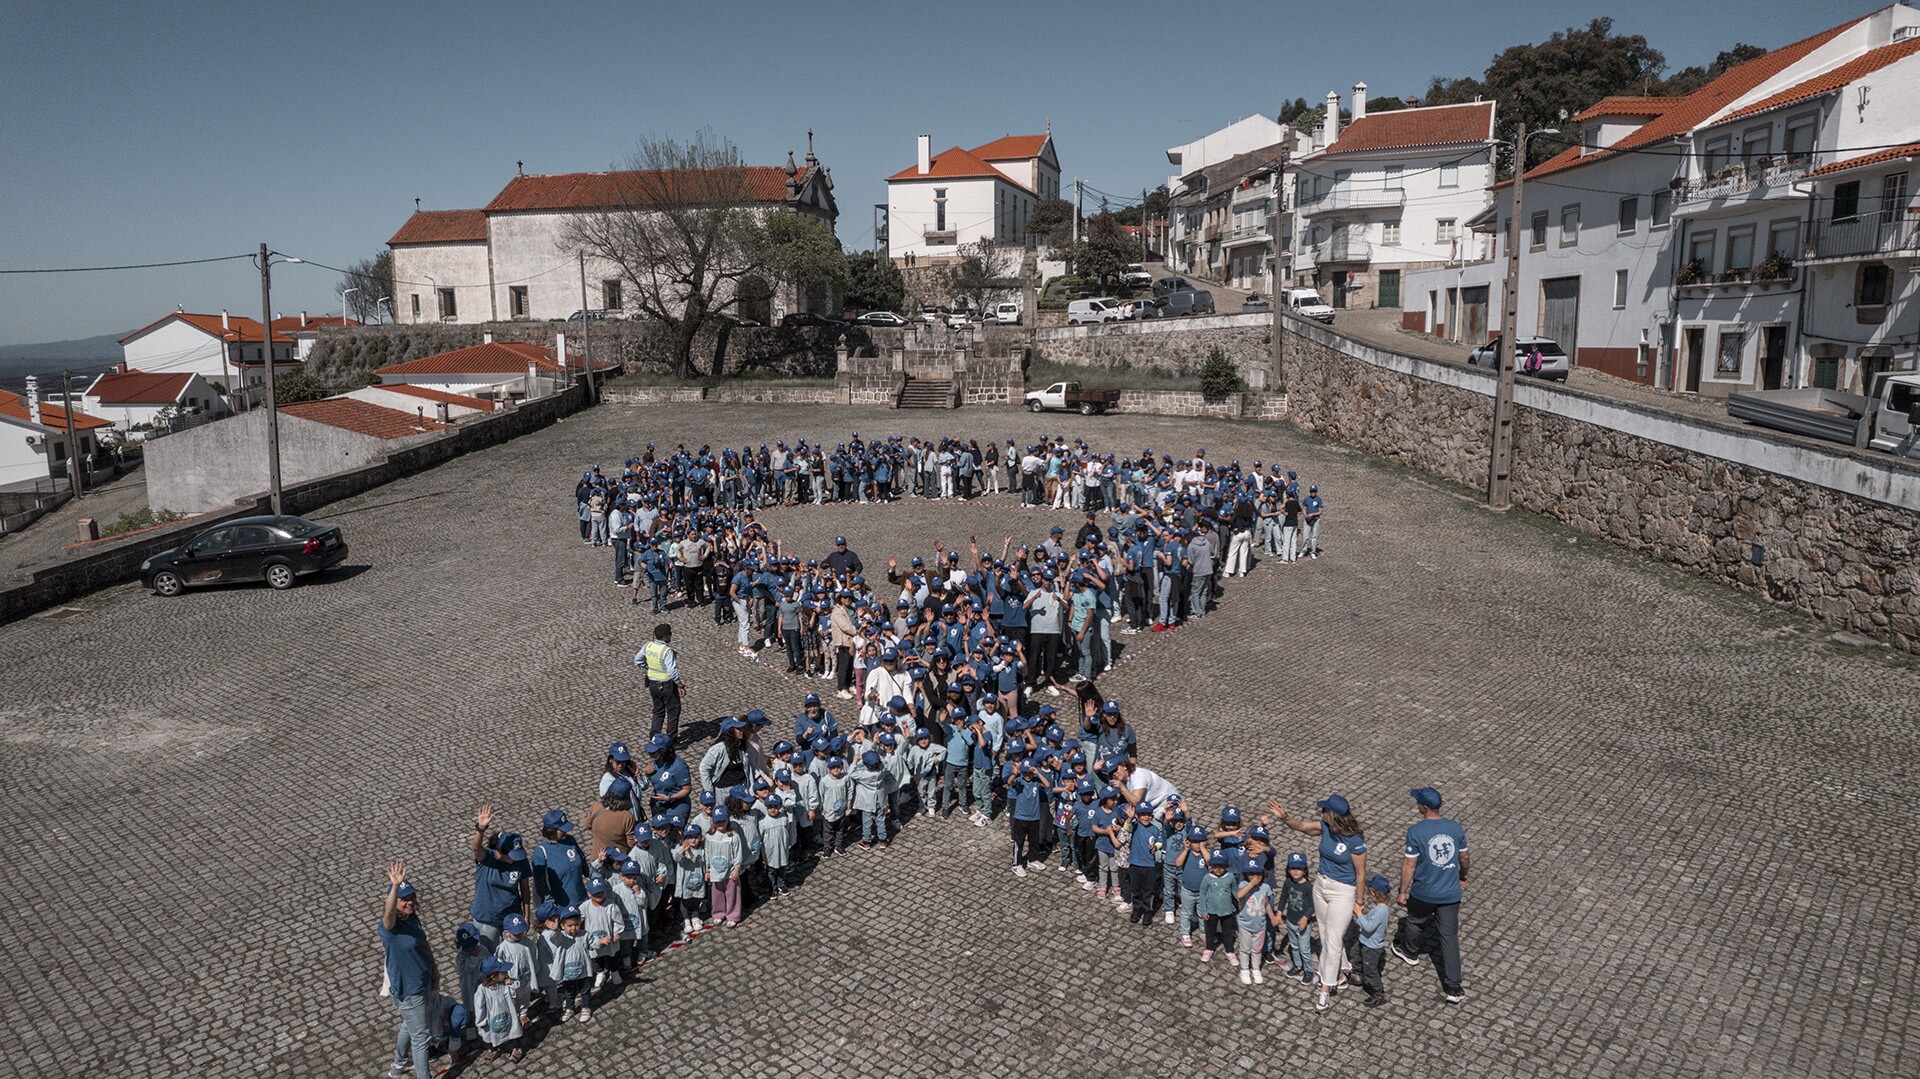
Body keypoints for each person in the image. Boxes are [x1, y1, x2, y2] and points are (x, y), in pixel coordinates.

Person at [1271, 793, 1369, 1012]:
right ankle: (1341, 973)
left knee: (1333, 940)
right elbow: (1302, 826)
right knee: (1325, 935)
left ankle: (1325, 988)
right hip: (1321, 886)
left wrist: (1359, 901)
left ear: (1332, 814)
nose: (1321, 812)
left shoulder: (1355, 841)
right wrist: (1284, 817)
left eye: (1324, 810)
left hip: (1342, 891)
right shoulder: (1325, 827)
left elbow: (1361, 874)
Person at [1391, 786, 1469, 1004]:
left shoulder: (1416, 832)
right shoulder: (1455, 828)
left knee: (1415, 920)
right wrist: (1463, 874)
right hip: (1450, 894)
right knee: (1449, 937)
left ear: (1424, 807)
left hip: (1424, 892)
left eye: (1418, 802)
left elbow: (1409, 865)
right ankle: (1453, 987)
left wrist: (1402, 891)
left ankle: (1410, 951)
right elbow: (1464, 857)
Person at [378, 862, 436, 1079]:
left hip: (423, 981)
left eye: (411, 897)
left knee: (410, 1025)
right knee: (421, 1037)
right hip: (409, 990)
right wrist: (395, 887)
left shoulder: (412, 919)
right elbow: (388, 913)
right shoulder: (390, 928)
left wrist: (435, 970)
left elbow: (423, 943)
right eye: (404, 899)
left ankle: (398, 1064)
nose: (409, 902)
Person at [469, 805, 531, 949]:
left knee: (514, 951)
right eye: (511, 856)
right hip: (487, 918)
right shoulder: (487, 858)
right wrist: (481, 829)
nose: (514, 859)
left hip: (511, 916)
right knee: (489, 953)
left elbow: (525, 889)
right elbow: (476, 848)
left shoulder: (520, 861)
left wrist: (526, 915)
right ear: (499, 851)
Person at [1348, 874, 1393, 1007]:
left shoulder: (1380, 912)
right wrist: (1360, 916)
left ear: (1373, 893)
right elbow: (1367, 923)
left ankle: (1379, 994)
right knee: (1355, 954)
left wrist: (1359, 913)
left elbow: (1368, 927)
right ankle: (1357, 975)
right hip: (1364, 941)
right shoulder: (1379, 909)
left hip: (1372, 947)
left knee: (1370, 971)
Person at [635, 624, 684, 740]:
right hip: (667, 686)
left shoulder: (648, 646)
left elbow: (637, 660)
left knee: (658, 712)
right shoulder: (667, 651)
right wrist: (680, 684)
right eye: (670, 634)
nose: (671, 635)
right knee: (673, 711)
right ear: (665, 636)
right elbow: (672, 671)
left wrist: (649, 667)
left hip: (653, 685)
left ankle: (654, 738)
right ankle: (671, 739)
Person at [472, 956, 524, 1062]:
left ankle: (516, 1047)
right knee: (490, 1035)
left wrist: (513, 984)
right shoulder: (482, 990)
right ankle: (493, 1049)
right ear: (493, 976)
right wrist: (481, 1021)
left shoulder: (505, 984)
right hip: (491, 1016)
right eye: (503, 972)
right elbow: (479, 1006)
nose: (506, 973)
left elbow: (516, 994)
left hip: (508, 1012)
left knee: (513, 1029)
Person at [1276, 851, 1314, 983]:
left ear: (1305, 870)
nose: (1296, 871)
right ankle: (1298, 966)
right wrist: (1279, 913)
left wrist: (1305, 918)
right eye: (1293, 868)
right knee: (1294, 946)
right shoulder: (1288, 883)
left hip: (1303, 924)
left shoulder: (1308, 887)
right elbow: (1283, 898)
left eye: (1299, 868)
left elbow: (1313, 905)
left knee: (1304, 949)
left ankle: (1308, 970)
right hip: (1290, 921)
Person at [1235, 858, 1272, 984]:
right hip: (1245, 924)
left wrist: (1273, 917)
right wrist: (1251, 884)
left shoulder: (1266, 887)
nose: (1255, 876)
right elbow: (1238, 895)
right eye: (1251, 874)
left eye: (1258, 874)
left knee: (1257, 949)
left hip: (1260, 925)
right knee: (1245, 949)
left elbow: (1267, 904)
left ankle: (1256, 968)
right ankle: (1244, 969)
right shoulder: (1243, 885)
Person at [1196, 850, 1238, 962]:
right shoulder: (1207, 878)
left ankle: (1229, 951)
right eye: (1215, 866)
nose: (1218, 869)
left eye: (1221, 866)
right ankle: (1209, 949)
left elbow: (1234, 891)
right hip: (1211, 910)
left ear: (1226, 865)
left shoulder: (1230, 877)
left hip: (1227, 910)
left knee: (1227, 932)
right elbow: (1202, 894)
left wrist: (1238, 903)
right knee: (1210, 931)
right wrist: (1203, 910)